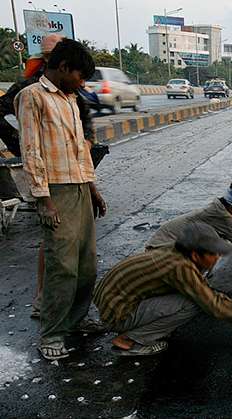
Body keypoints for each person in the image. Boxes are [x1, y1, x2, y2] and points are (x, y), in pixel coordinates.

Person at [15, 38, 106, 360]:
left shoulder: (69, 99)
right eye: (80, 76)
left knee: (86, 265)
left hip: (79, 186)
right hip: (56, 190)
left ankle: (76, 321)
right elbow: (31, 151)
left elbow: (80, 147)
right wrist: (43, 199)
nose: (82, 84)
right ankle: (52, 334)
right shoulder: (32, 97)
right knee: (62, 267)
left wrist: (92, 187)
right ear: (64, 68)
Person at [93, 223, 232, 356]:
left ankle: (133, 329)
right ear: (195, 254)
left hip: (113, 301)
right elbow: (213, 304)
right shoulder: (180, 267)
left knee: (197, 294)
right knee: (193, 304)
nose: (217, 258)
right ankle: (131, 340)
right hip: (117, 313)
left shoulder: (172, 253)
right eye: (213, 254)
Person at [1, 34, 94, 158]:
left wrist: (87, 142)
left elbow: (85, 116)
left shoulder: (70, 86)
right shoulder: (29, 89)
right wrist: (18, 144)